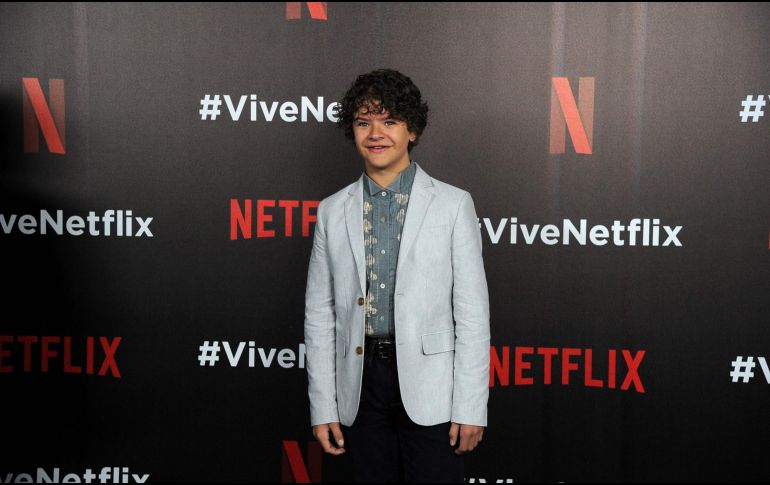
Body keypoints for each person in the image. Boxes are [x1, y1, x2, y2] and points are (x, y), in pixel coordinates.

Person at [304, 68, 490, 483]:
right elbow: (320, 317)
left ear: (413, 130)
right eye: (363, 121)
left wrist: (471, 407)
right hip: (359, 386)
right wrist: (323, 406)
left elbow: (473, 316)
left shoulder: (453, 205)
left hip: (433, 389)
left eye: (389, 121)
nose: (376, 133)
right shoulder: (333, 210)